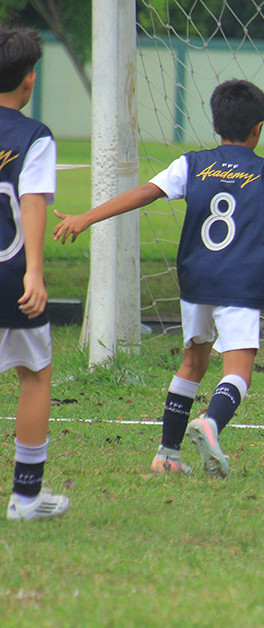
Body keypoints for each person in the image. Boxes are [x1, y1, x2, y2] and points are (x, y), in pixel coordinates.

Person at [53, 79, 264, 479]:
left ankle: (168, 454)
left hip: (196, 278)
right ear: (258, 128)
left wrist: (87, 217)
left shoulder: (192, 164)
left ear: (215, 125)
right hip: (240, 282)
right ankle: (210, 424)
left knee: (192, 363)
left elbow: (144, 193)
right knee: (237, 370)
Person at [1, 27, 69, 520]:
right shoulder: (33, 136)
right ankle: (26, 498)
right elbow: (31, 204)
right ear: (30, 80)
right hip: (10, 274)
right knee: (35, 374)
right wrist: (36, 273)